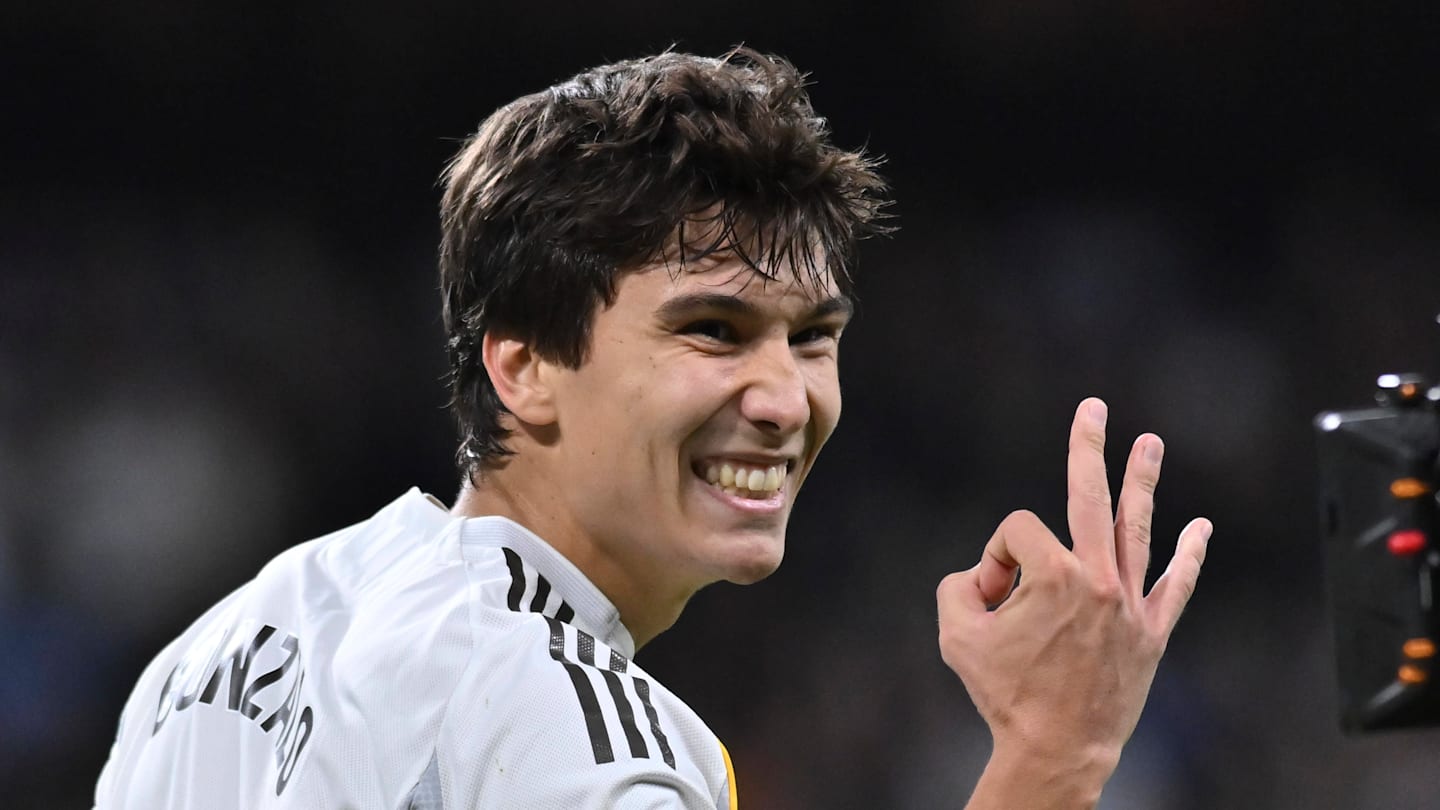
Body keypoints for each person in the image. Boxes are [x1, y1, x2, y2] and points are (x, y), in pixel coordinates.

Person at [94, 47, 1210, 808]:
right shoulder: (575, 733)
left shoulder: (219, 649)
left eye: (811, 338)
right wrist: (1055, 758)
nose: (786, 399)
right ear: (524, 366)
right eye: (713, 331)